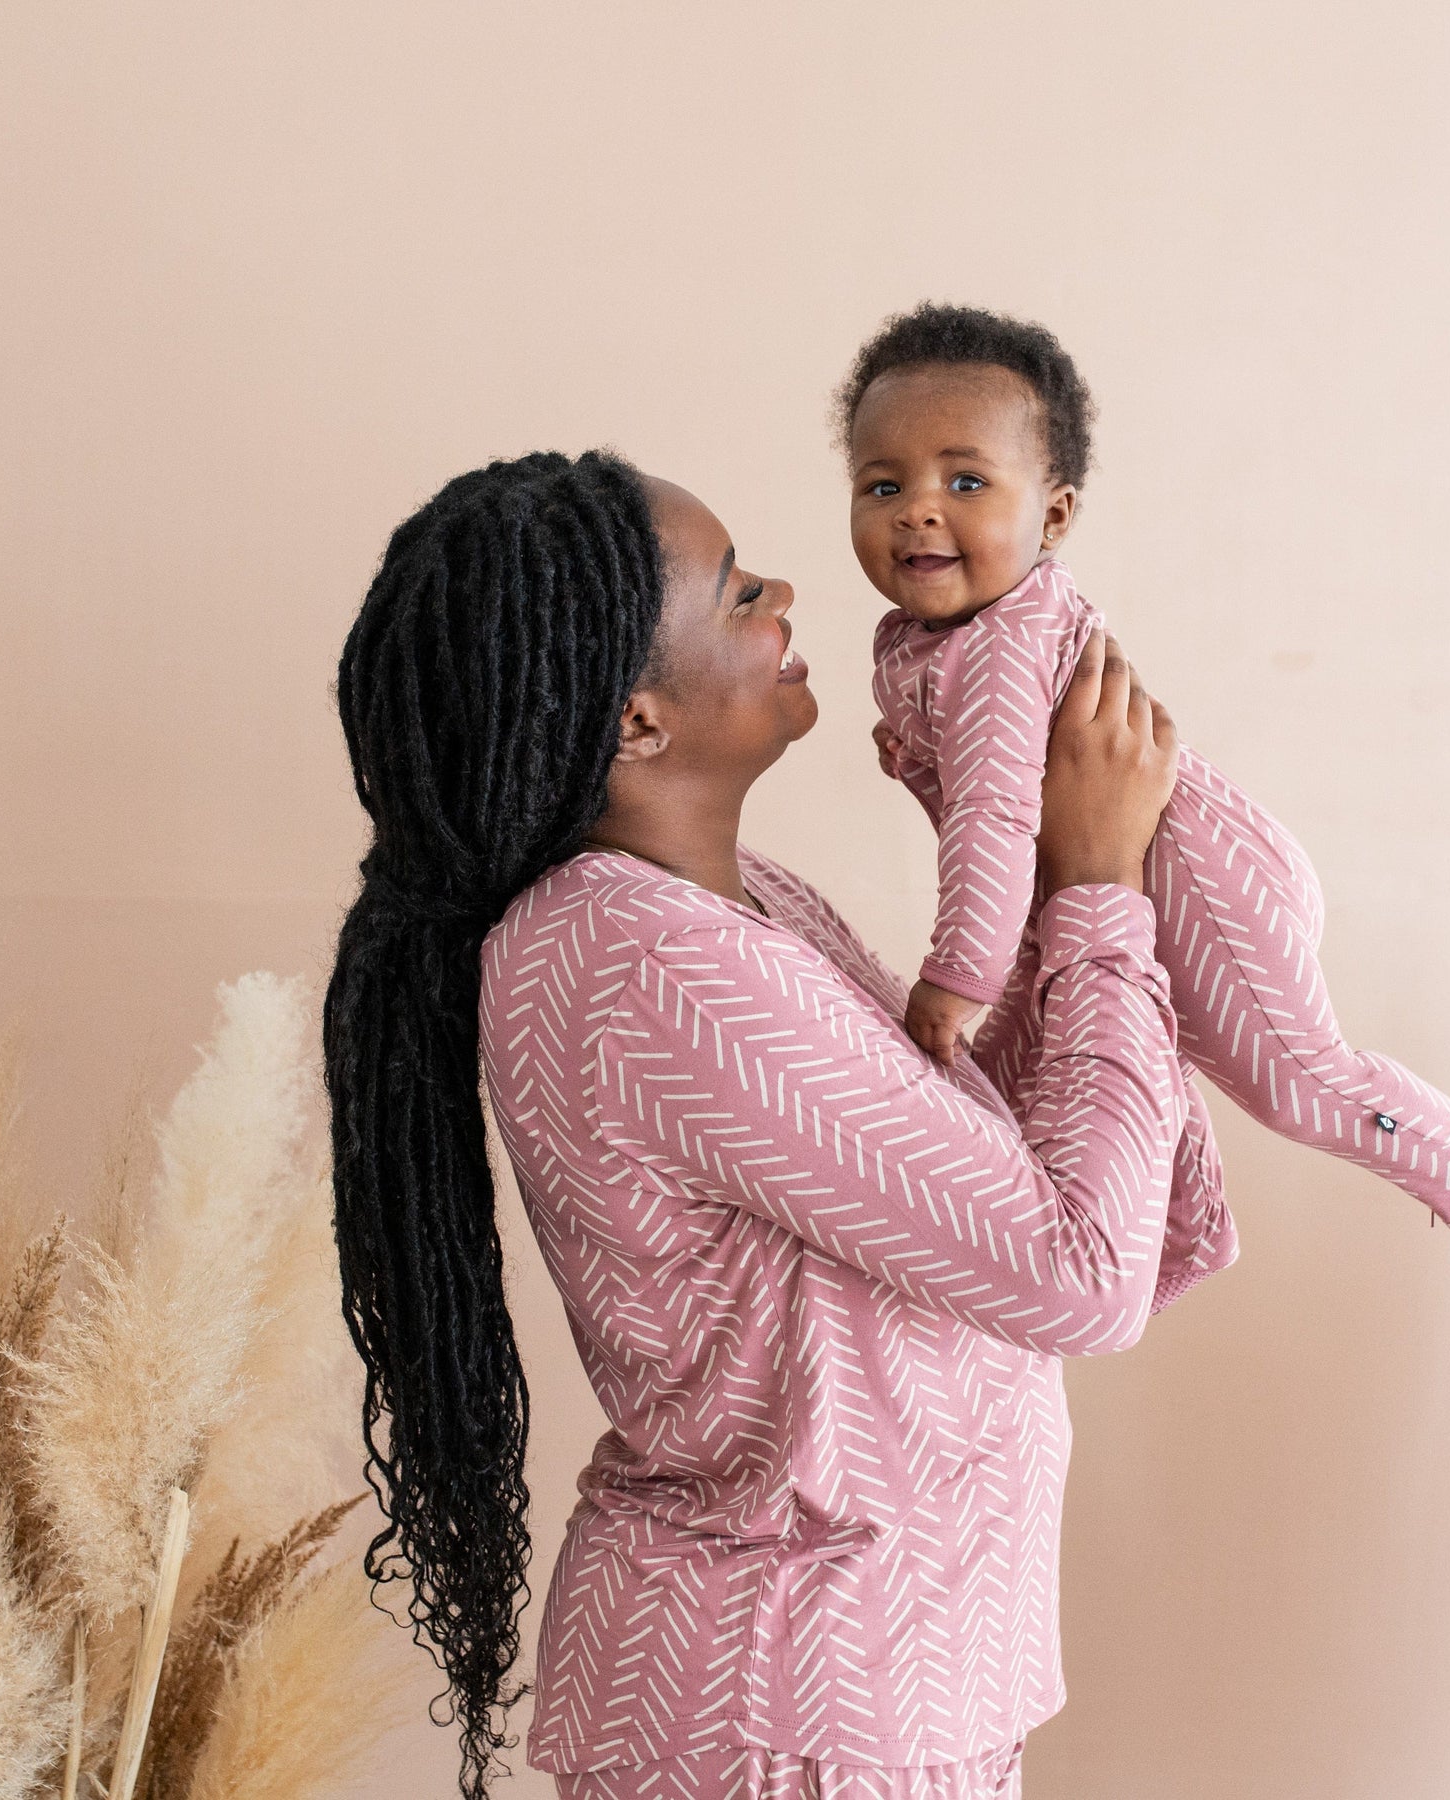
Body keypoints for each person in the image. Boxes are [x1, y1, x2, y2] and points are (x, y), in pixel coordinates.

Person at [322, 449, 1235, 1800]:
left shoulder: (742, 906)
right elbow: (1076, 1273)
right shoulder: (646, 965)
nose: (791, 593)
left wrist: (1026, 855)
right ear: (635, 719)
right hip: (785, 1713)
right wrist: (1098, 890)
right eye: (740, 591)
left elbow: (999, 1181)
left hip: (863, 1686)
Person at [845, 302, 1450, 1311]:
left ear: (1053, 515)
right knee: (1070, 1056)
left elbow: (996, 819)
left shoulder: (996, 642)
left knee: (1299, 1085)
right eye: (882, 484)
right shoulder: (927, 638)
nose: (917, 508)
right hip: (1120, 875)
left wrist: (955, 978)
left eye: (964, 480)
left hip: (1203, 882)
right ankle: (1185, 1226)